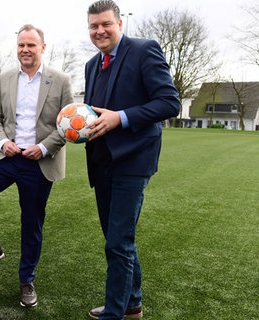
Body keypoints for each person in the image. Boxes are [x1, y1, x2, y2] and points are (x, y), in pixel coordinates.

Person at [0, 24, 74, 308]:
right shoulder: (5, 78)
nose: (25, 50)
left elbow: (70, 124)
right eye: (22, 45)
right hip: (7, 157)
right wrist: (2, 143)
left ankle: (26, 281)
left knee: (31, 223)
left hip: (39, 161)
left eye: (31, 45)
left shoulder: (60, 80)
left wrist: (44, 146)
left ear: (42, 48)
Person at [83, 1, 180, 319]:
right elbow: (95, 111)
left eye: (106, 24)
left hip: (134, 160)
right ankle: (133, 304)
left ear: (120, 23)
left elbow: (169, 102)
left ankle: (115, 313)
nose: (100, 31)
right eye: (94, 26)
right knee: (117, 238)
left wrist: (120, 118)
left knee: (118, 241)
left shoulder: (144, 50)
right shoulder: (91, 65)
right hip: (101, 161)